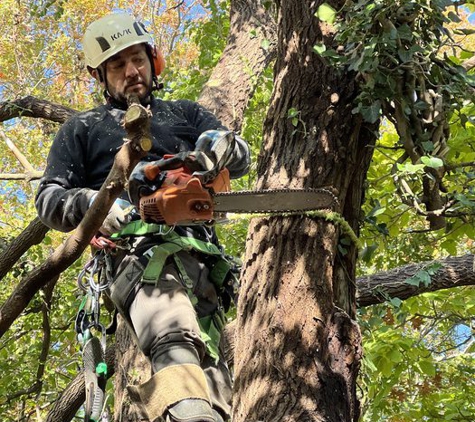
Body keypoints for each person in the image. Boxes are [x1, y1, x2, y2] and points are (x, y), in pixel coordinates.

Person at [35, 12, 250, 422]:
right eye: (118, 65)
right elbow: (48, 199)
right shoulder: (82, 128)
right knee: (172, 339)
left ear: (153, 60)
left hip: (204, 257)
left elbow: (239, 157)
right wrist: (93, 204)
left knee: (217, 381)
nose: (131, 71)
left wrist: (219, 146)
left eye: (137, 59)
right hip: (137, 258)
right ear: (101, 75)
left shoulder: (185, 115)